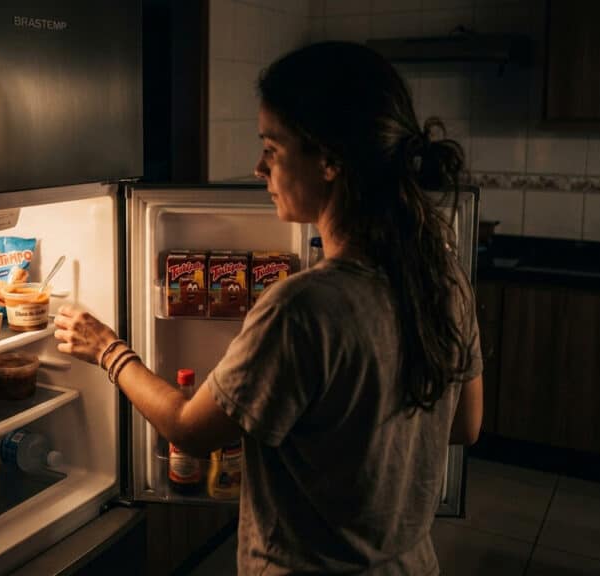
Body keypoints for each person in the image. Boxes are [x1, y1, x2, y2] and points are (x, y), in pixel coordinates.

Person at [54, 41, 483, 575]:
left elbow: (190, 429)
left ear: (328, 160)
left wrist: (108, 349)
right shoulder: (443, 279)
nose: (259, 168)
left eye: (272, 149)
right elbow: (465, 425)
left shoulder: (303, 307)